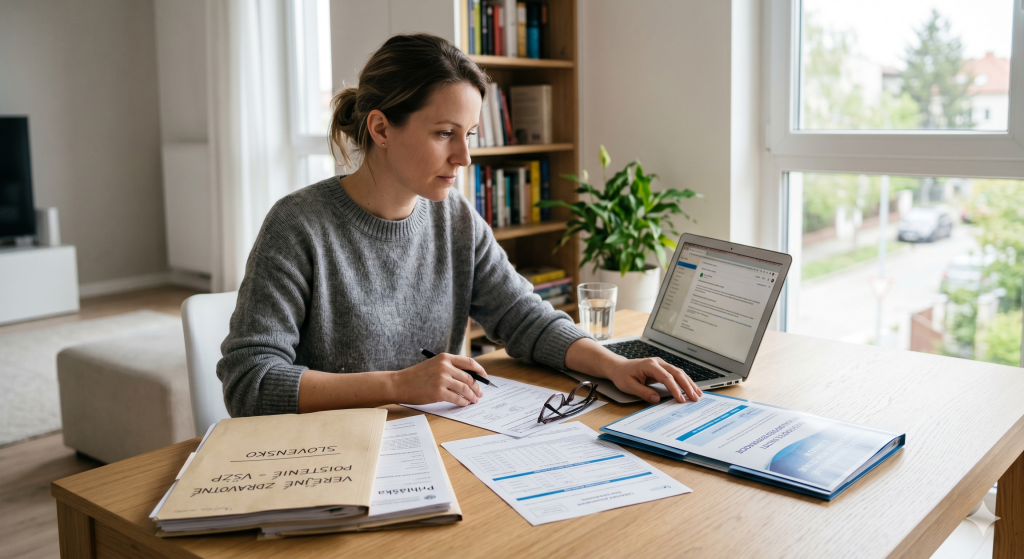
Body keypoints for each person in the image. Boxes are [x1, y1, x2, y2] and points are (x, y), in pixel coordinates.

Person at [217, 33, 702, 417]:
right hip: (333, 463)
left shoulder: (454, 218)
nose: (465, 157)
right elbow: (250, 382)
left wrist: (615, 365)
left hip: (433, 443)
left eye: (468, 135)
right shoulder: (298, 226)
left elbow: (524, 317)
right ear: (381, 128)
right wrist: (399, 383)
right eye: (445, 133)